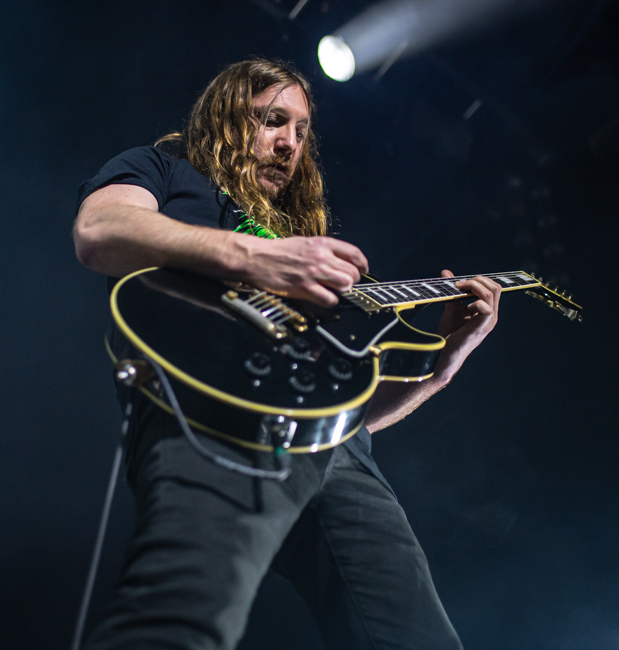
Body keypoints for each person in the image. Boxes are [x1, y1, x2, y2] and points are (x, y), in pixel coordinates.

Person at [73, 58, 502, 650]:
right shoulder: (163, 167)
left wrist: (439, 367)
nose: (289, 144)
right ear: (225, 116)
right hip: (210, 411)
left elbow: (345, 406)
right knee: (180, 621)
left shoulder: (301, 242)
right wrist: (252, 256)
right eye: (273, 121)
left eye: (301, 131)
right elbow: (98, 232)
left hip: (339, 455)